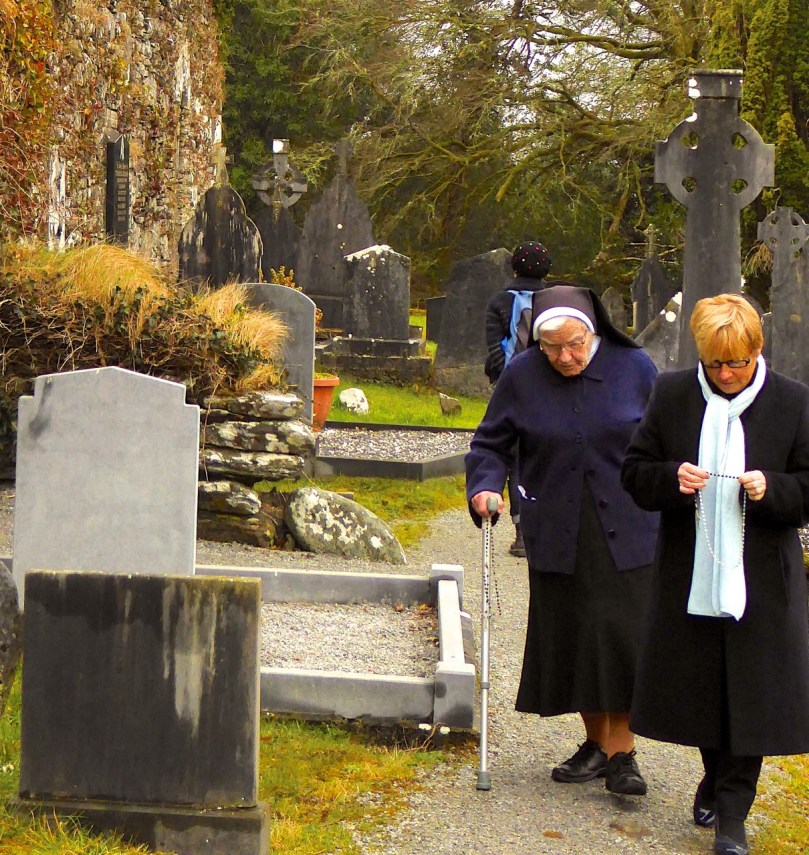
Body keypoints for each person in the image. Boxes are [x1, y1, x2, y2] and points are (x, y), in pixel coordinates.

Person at [621, 294, 809, 855]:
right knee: (701, 688)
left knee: (751, 695)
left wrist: (774, 489)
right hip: (689, 569)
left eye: (737, 364)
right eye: (714, 364)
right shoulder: (674, 393)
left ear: (758, 351)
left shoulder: (794, 402)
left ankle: (733, 816)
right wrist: (670, 480)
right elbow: (634, 472)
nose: (725, 375)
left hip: (763, 580)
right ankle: (713, 774)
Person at [467, 283, 659, 795]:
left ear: (594, 332)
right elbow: (491, 442)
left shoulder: (635, 367)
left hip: (630, 524)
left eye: (575, 345)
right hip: (556, 523)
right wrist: (485, 487)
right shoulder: (522, 374)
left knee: (621, 638)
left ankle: (623, 754)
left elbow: (667, 438)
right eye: (553, 347)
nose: (566, 357)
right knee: (575, 638)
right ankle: (597, 744)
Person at [483, 241, 552, 557]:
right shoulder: (555, 302)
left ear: (514, 269)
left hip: (512, 390)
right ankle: (546, 528)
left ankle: (522, 532)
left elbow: (495, 348)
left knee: (514, 460)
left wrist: (504, 380)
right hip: (550, 390)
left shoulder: (500, 302)